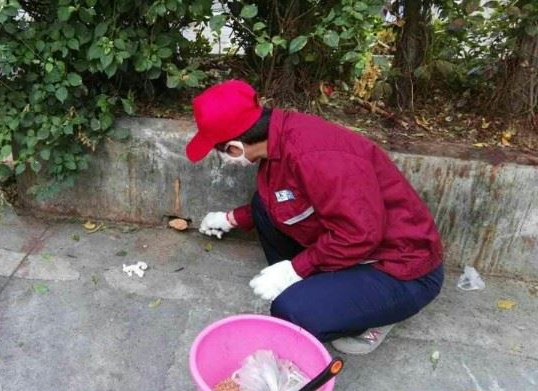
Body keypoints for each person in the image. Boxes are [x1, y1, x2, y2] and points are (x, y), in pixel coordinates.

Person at [186, 79, 444, 354]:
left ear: (235, 148)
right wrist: (231, 218)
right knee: (262, 205)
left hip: (401, 269)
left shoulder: (317, 158)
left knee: (291, 312)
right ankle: (322, 291)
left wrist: (295, 269)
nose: (223, 160)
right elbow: (284, 199)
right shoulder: (280, 137)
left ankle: (370, 316)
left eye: (219, 153)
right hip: (358, 244)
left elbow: (360, 235)